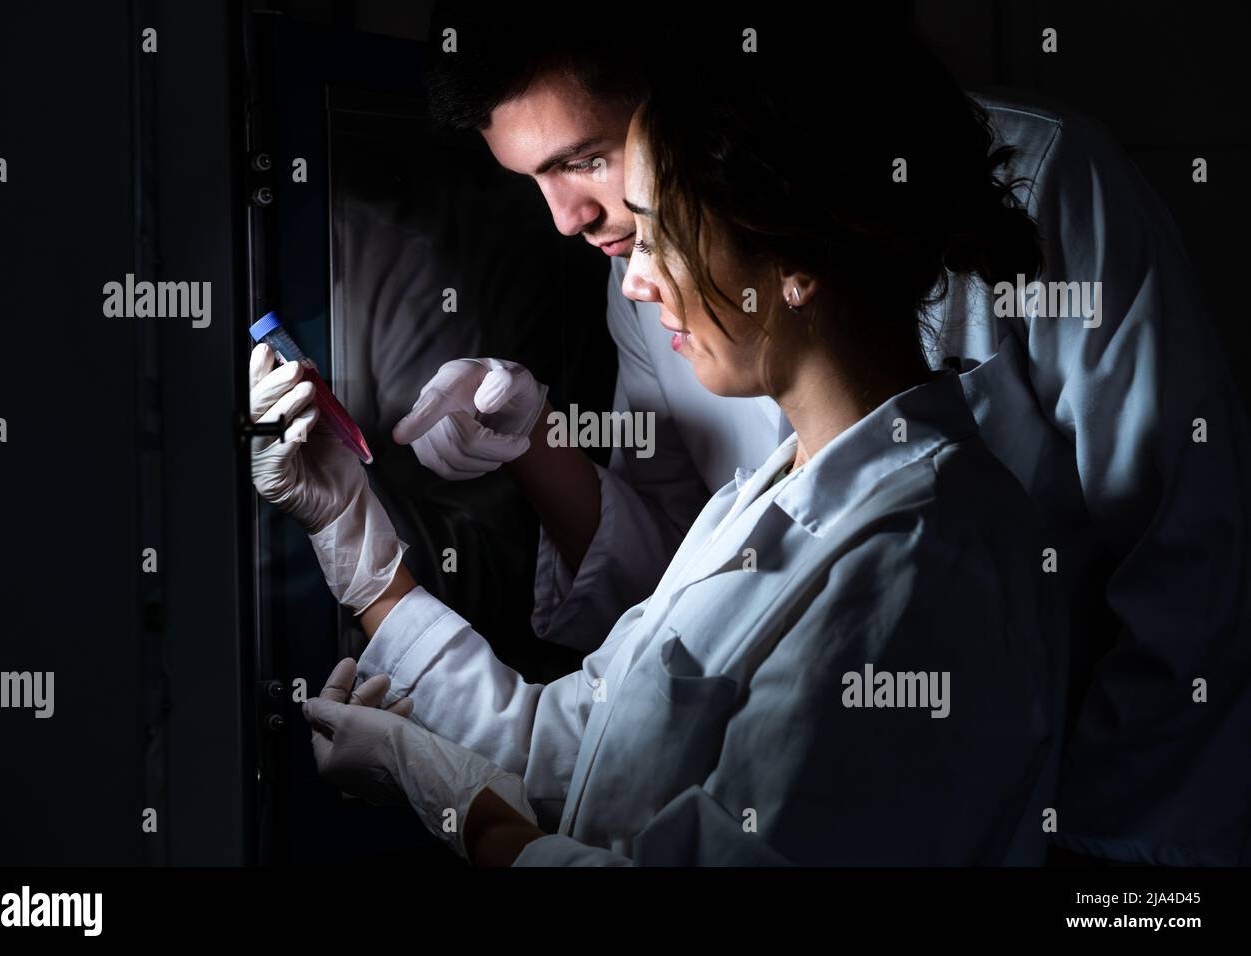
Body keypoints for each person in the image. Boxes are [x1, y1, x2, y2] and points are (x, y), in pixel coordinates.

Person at [383, 11, 1251, 866]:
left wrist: (1076, 837)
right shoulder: (710, 398)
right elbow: (672, 602)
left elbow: (1188, 548)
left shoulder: (930, 528)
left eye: (586, 160)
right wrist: (527, 448)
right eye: (533, 180)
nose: (569, 221)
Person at [258, 23, 1065, 865]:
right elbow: (569, 748)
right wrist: (354, 537)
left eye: (660, 232)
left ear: (790, 259)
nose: (637, 279)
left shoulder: (919, 558)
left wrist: (448, 798)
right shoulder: (756, 503)